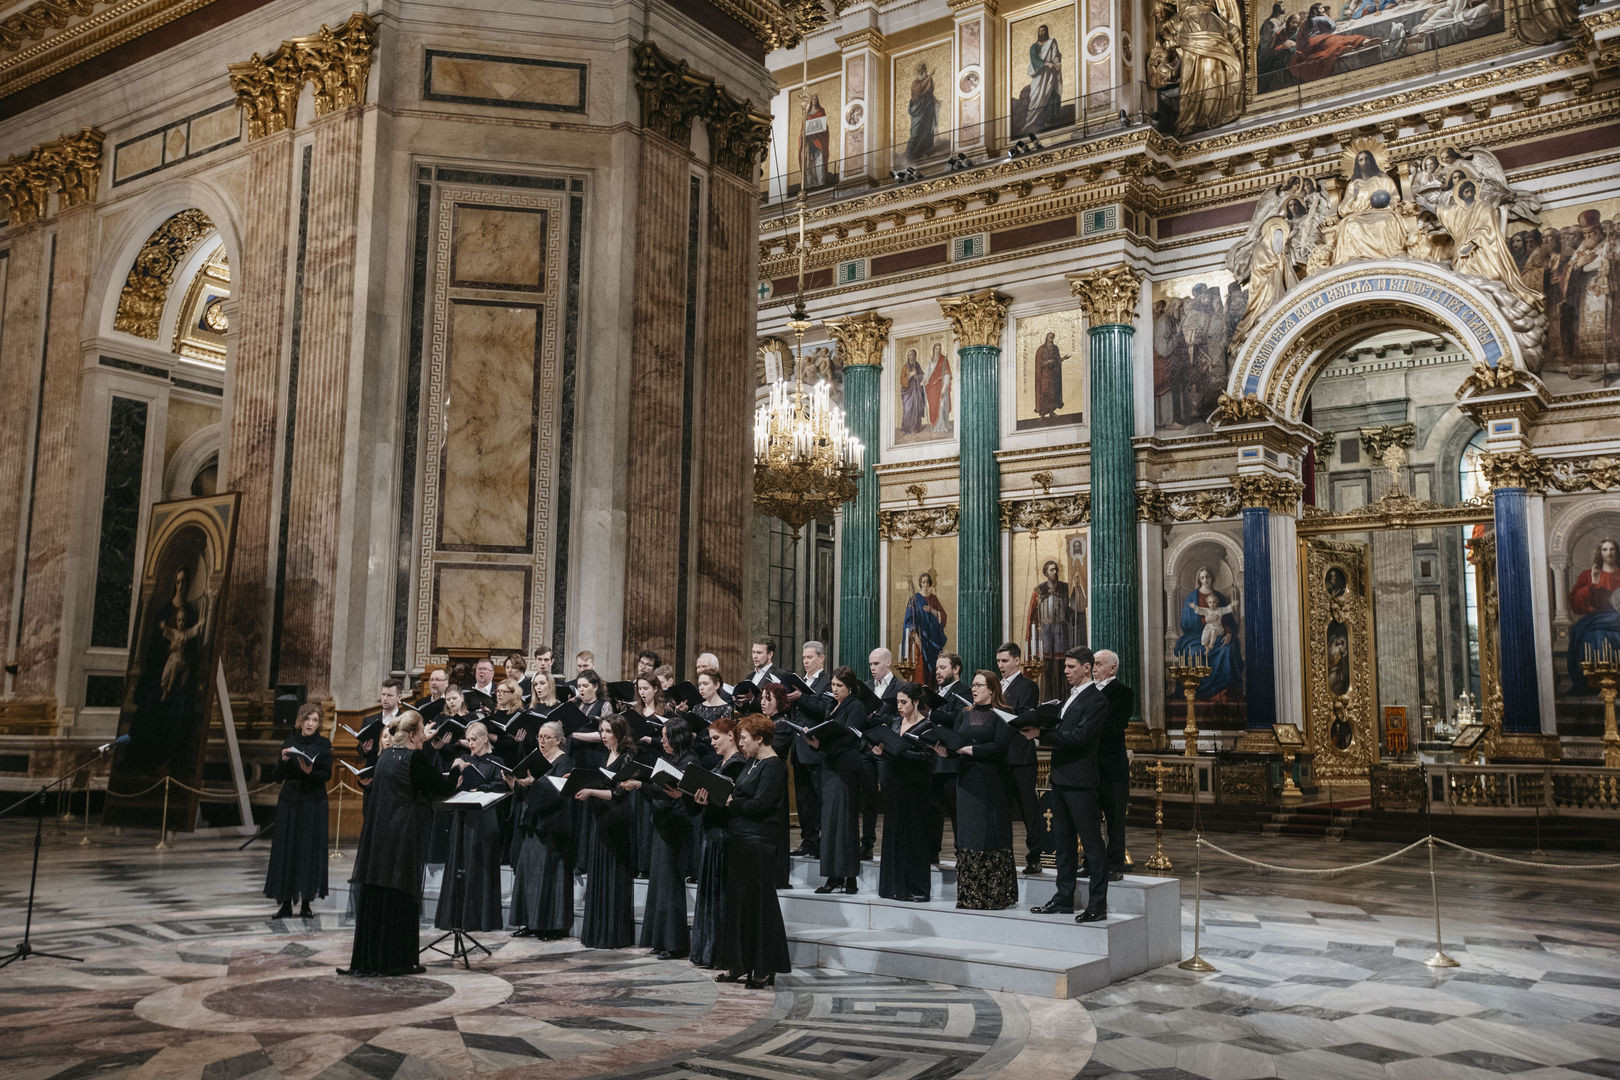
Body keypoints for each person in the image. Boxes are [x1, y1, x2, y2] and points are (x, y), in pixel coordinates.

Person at [340, 712, 456, 976]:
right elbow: (442, 785)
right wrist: (458, 769)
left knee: (381, 897)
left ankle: (373, 958)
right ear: (415, 734)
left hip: (379, 838)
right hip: (403, 837)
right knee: (401, 896)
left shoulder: (385, 757)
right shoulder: (414, 759)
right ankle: (396, 960)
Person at [1030, 647, 1111, 923]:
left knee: (1091, 844)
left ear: (1087, 668)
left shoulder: (1097, 700)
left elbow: (1080, 737)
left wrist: (1043, 733)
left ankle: (1098, 904)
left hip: (1081, 781)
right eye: (1065, 666)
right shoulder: (1070, 698)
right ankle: (1063, 897)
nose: (1065, 671)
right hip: (1061, 777)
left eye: (1071, 666)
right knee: (1062, 844)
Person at [717, 713, 792, 989]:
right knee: (739, 905)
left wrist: (731, 804)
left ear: (759, 738)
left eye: (745, 739)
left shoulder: (774, 766)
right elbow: (740, 795)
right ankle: (738, 963)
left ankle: (763, 967)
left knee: (760, 906)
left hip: (759, 842)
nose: (741, 744)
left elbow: (760, 804)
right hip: (739, 839)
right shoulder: (752, 763)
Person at [941, 671, 1017, 910]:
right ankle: (970, 895)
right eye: (972, 685)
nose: (974, 689)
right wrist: (947, 751)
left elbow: (999, 746)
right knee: (969, 834)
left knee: (990, 833)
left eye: (979, 685)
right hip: (966, 781)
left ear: (992, 689)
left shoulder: (1004, 714)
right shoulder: (964, 715)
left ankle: (994, 895)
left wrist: (970, 750)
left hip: (992, 782)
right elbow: (955, 741)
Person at [434, 720, 508, 935]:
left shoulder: (496, 760)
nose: (471, 743)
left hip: (485, 817)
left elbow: (500, 785)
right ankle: (456, 916)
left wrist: (479, 787)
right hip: (463, 816)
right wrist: (457, 770)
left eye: (474, 739)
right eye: (468, 739)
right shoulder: (464, 759)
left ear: (485, 738)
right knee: (460, 863)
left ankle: (482, 917)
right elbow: (451, 782)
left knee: (481, 864)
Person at [576, 713, 638, 948]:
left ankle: (613, 934)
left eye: (608, 731)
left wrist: (591, 792)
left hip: (617, 819)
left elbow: (619, 793)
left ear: (620, 733)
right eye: (601, 731)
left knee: (614, 872)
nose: (603, 735)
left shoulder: (627, 758)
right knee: (601, 871)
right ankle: (598, 931)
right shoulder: (607, 755)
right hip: (601, 817)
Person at [805, 666, 868, 894]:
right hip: (829, 767)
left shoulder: (856, 706)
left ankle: (846, 876)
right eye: (832, 685)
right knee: (830, 822)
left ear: (850, 688)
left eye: (839, 686)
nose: (834, 689)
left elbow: (851, 737)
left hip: (845, 769)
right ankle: (835, 875)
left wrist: (822, 745)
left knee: (844, 822)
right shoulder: (832, 705)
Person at [690, 715, 747, 967]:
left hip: (724, 836)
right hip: (711, 834)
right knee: (711, 894)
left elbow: (732, 803)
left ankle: (719, 951)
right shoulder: (720, 763)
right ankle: (707, 949)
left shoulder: (737, 765)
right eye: (710, 738)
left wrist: (710, 800)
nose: (712, 743)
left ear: (731, 736)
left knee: (720, 894)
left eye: (716, 738)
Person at [265, 702, 330, 920]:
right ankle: (284, 903)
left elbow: (326, 775)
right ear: (300, 721)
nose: (310, 724)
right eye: (307, 719)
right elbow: (275, 776)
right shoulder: (289, 742)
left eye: (315, 720)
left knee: (308, 850)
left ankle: (306, 904)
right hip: (290, 801)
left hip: (313, 801)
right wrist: (283, 762)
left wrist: (310, 772)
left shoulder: (323, 744)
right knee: (287, 849)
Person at [510, 720, 574, 940]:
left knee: (548, 874)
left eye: (547, 737)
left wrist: (533, 784)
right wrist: (516, 783)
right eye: (539, 737)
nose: (542, 741)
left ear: (558, 740)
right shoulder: (536, 759)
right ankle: (531, 922)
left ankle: (551, 925)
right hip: (532, 822)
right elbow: (527, 787)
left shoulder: (565, 762)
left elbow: (558, 792)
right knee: (528, 873)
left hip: (551, 826)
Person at [642, 716, 699, 959]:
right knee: (659, 885)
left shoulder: (690, 761)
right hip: (663, 824)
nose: (662, 740)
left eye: (666, 736)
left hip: (677, 827)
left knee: (670, 886)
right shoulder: (670, 759)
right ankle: (660, 939)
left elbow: (681, 795)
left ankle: (675, 943)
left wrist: (642, 785)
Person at [873, 683, 934, 902]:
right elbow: (888, 752)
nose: (899, 706)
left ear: (916, 702)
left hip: (917, 786)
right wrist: (880, 752)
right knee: (894, 833)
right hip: (895, 783)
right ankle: (893, 886)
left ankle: (917, 889)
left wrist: (901, 751)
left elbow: (928, 757)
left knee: (915, 835)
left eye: (903, 702)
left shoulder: (927, 726)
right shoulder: (895, 722)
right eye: (897, 702)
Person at [996, 643, 1046, 874]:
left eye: (1005, 661)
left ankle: (1034, 856)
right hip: (999, 755)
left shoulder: (1028, 685)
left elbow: (1025, 713)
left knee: (1028, 808)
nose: (1001, 666)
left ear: (1017, 661)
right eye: (998, 662)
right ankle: (1002, 854)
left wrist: (999, 712)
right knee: (1001, 809)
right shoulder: (995, 685)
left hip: (1020, 755)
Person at [786, 641, 830, 858]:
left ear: (821, 658)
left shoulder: (828, 682)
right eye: (804, 658)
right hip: (798, 748)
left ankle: (822, 841)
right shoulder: (800, 682)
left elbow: (824, 709)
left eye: (810, 657)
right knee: (803, 799)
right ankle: (808, 840)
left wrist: (801, 698)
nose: (806, 661)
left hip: (815, 748)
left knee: (818, 797)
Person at [1093, 649, 1134, 883]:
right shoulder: (1086, 692)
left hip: (1112, 766)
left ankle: (1115, 864)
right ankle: (1091, 862)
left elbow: (1115, 726)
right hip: (1090, 766)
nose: (1095, 668)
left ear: (1113, 668)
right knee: (1090, 820)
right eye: (1093, 664)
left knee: (1115, 820)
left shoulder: (1123, 693)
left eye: (1099, 664)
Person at [927, 652, 970, 867]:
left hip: (952, 761)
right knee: (933, 809)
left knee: (956, 811)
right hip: (934, 759)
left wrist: (931, 714)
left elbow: (958, 719)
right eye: (937, 669)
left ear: (956, 669)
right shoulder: (936, 693)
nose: (938, 673)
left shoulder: (964, 691)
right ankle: (932, 852)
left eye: (943, 668)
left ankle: (961, 853)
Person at [1174, 566, 1242, 699]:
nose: (1205, 580)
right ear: (1199, 580)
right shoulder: (1191, 598)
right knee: (1193, 653)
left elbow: (1227, 619)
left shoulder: (1219, 597)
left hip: (1219, 634)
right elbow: (1185, 622)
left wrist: (1228, 634)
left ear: (1212, 578)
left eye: (1207, 577)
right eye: (1202, 577)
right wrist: (1203, 621)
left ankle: (1222, 691)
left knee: (1228, 650)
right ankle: (1197, 693)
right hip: (1196, 636)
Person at [1568, 538, 1620, 694]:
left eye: (1612, 549)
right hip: (1597, 618)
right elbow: (1575, 602)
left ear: (1617, 552)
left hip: (1617, 617)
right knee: (1591, 635)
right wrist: (1592, 583)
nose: (1609, 553)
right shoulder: (1588, 575)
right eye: (1605, 549)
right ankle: (1593, 683)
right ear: (1600, 552)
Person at [1022, 24, 1064, 134]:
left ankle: (1048, 120)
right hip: (1039, 75)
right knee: (1036, 96)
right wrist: (1046, 64)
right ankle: (1031, 122)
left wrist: (1057, 63)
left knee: (1050, 93)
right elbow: (1034, 60)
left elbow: (1056, 55)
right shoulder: (1034, 47)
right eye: (1040, 31)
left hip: (1051, 74)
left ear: (1047, 32)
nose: (1042, 33)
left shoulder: (1052, 42)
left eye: (1044, 31)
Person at [1033, 331, 1072, 418]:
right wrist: (1047, 362)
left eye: (1052, 338)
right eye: (1050, 337)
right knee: (1044, 392)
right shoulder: (1041, 349)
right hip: (1044, 375)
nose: (1051, 339)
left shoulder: (1055, 348)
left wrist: (1063, 359)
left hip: (1053, 375)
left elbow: (1057, 360)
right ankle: (1042, 414)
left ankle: (1051, 412)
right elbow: (1038, 363)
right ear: (1046, 338)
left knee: (1053, 393)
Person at [906, 61, 937, 163]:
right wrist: (929, 77)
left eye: (923, 70)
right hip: (918, 110)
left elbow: (929, 90)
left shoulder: (927, 79)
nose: (922, 72)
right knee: (916, 132)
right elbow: (919, 91)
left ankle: (924, 151)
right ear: (918, 72)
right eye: (921, 70)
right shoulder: (915, 83)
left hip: (927, 109)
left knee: (927, 129)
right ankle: (910, 154)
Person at [800, 93, 830, 188]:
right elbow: (803, 128)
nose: (815, 101)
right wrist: (802, 135)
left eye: (816, 99)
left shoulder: (821, 111)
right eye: (813, 99)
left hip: (819, 140)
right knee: (810, 162)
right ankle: (810, 182)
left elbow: (823, 124)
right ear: (811, 101)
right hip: (810, 141)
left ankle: (821, 180)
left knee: (819, 159)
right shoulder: (807, 114)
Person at [899, 349, 928, 435]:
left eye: (912, 355)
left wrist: (921, 378)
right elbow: (902, 380)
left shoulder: (917, 365)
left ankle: (915, 428)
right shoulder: (905, 367)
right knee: (907, 410)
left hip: (916, 391)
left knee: (916, 409)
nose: (910, 356)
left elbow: (922, 374)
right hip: (907, 392)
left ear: (915, 356)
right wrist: (910, 375)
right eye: (909, 355)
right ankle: (906, 428)